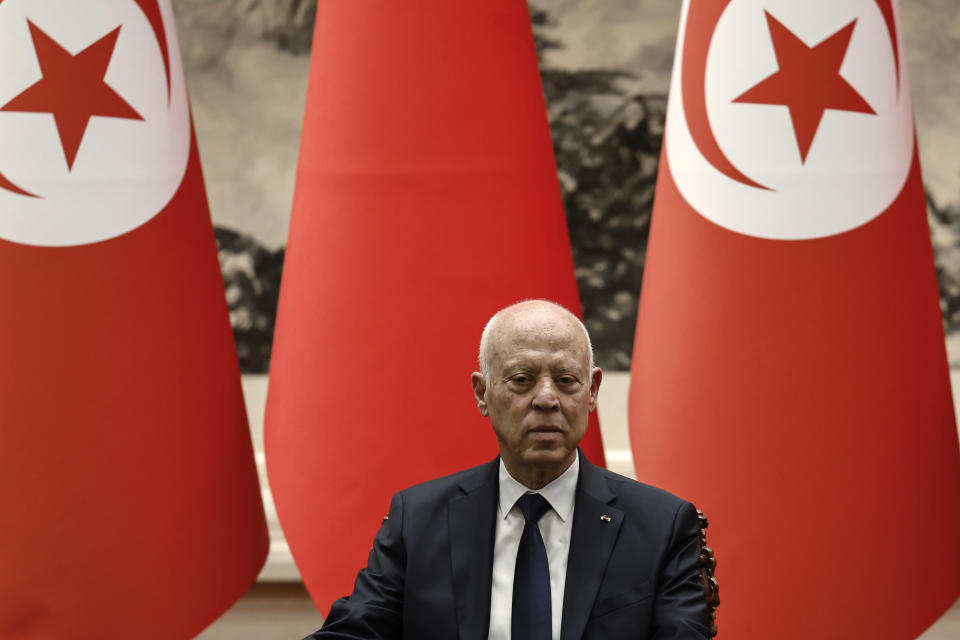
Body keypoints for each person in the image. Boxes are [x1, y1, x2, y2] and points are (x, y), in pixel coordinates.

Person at [305, 300, 711, 639]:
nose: (547, 398)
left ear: (592, 391)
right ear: (483, 393)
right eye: (522, 379)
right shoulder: (419, 521)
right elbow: (355, 632)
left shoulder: (661, 526)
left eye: (567, 379)